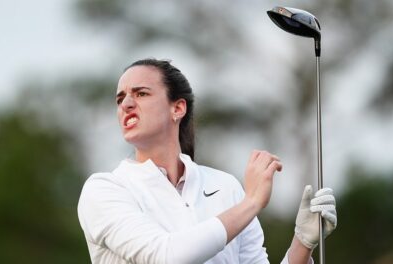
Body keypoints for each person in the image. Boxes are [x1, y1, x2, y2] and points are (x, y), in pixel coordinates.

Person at [77, 58, 337, 264]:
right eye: (120, 98)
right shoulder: (104, 190)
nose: (127, 104)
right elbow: (167, 256)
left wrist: (302, 243)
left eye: (141, 93)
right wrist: (252, 202)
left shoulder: (225, 186)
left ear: (177, 108)